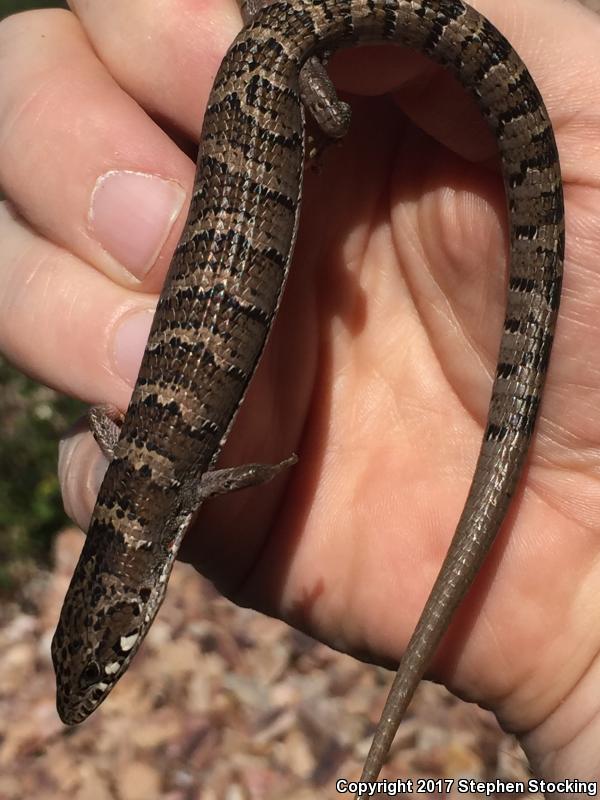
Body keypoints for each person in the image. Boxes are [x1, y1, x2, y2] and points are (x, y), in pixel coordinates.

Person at [1, 0, 599, 786]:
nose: (100, 676)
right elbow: (113, 432)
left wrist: (272, 469)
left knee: (327, 119)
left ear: (131, 616)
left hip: (295, 73)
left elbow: (233, 472)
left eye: (102, 668)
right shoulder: (137, 484)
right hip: (277, 62)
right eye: (91, 674)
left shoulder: (176, 497)